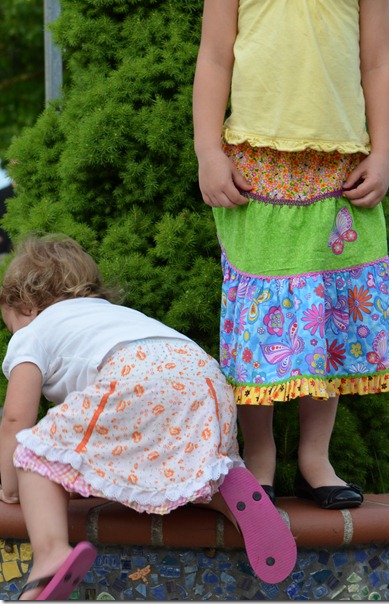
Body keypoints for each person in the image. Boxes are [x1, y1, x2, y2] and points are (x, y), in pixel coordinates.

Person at [193, 0, 389, 509]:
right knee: (263, 319)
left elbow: (378, 61)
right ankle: (259, 456)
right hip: (255, 164)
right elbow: (215, 57)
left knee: (324, 311)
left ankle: (314, 459)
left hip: (337, 167)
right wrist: (208, 152)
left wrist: (383, 152)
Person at [0, 235, 297, 600]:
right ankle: (224, 490)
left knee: (37, 453)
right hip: (202, 374)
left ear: (24, 304)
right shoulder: (112, 315)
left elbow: (16, 420)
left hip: (137, 377)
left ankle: (49, 556)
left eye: (8, 325)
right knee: (171, 464)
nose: (12, 334)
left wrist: (13, 488)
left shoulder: (34, 331)